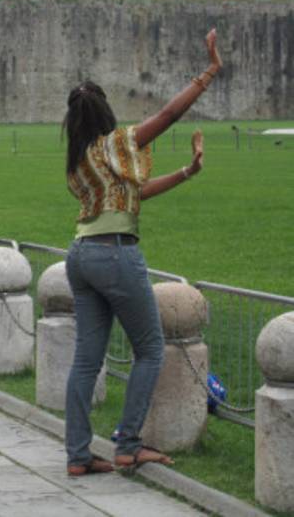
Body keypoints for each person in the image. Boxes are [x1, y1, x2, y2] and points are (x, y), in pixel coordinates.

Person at [62, 29, 222, 477]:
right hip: (115, 254)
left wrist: (185, 173)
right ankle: (129, 444)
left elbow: (132, 197)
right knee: (150, 348)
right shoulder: (115, 143)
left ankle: (78, 455)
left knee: (86, 361)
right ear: (105, 112)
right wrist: (209, 70)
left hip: (80, 256)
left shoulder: (79, 159)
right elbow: (169, 114)